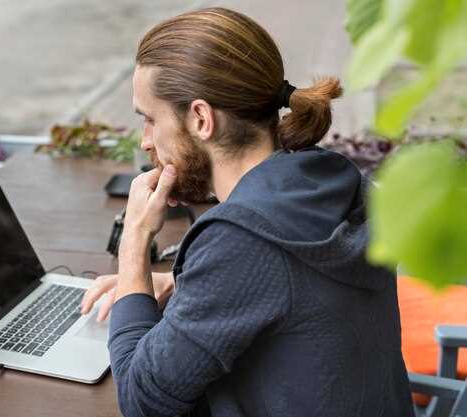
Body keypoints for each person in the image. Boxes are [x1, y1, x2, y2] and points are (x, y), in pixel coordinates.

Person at [80, 7, 414, 417]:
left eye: (150, 119)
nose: (146, 141)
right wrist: (190, 285)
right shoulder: (331, 180)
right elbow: (288, 289)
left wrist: (135, 240)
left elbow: (142, 400)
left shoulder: (243, 240)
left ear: (201, 118)